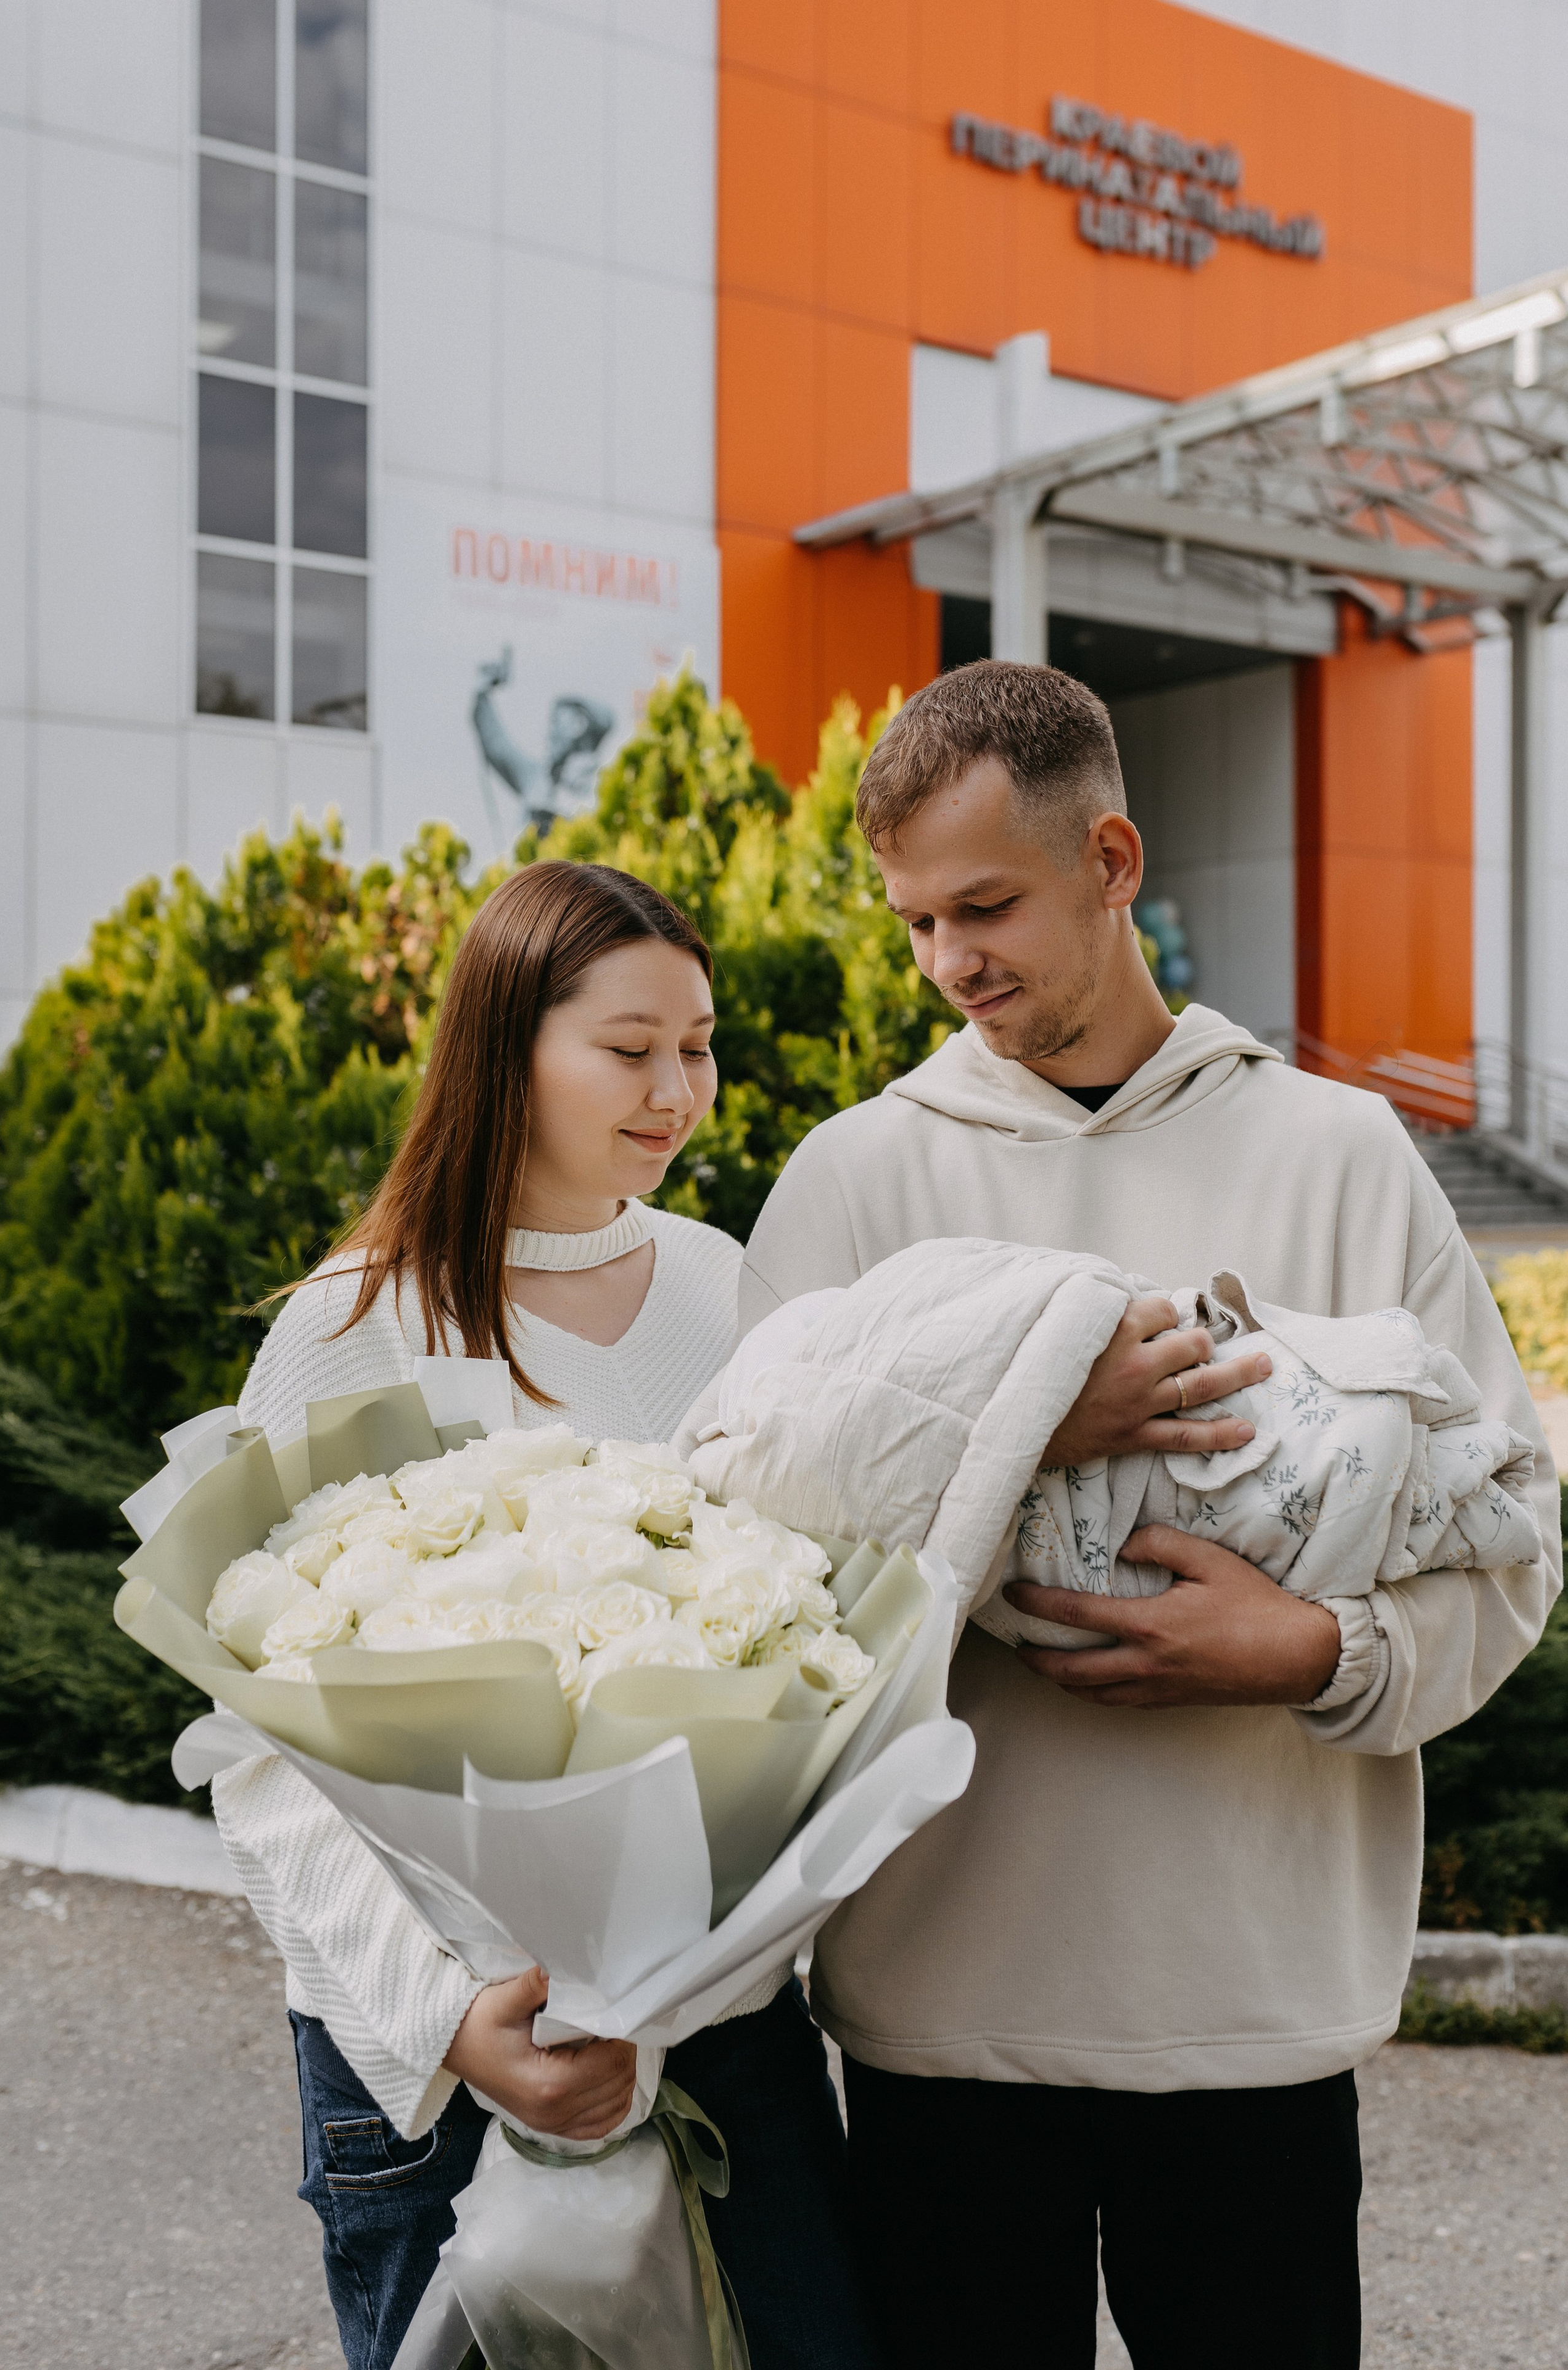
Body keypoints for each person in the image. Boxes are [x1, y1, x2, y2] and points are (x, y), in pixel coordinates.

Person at [736, 662, 1561, 2370]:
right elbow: (749, 1582)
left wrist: (1315, 1648)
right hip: (941, 2026)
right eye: (915, 922)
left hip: (1250, 2030)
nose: (949, 962)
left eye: (987, 905)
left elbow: (1511, 1539)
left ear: (1112, 858)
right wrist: (1035, 1423)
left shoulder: (1343, 1157)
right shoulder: (854, 1179)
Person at [214, 861, 877, 2370]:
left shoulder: (730, 1292)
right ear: (505, 1044)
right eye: (628, 1048)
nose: (676, 1088)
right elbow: (252, 1747)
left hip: (715, 2020)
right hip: (439, 2059)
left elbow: (819, 1635)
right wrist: (452, 2021)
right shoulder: (353, 1322)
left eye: (697, 1046)